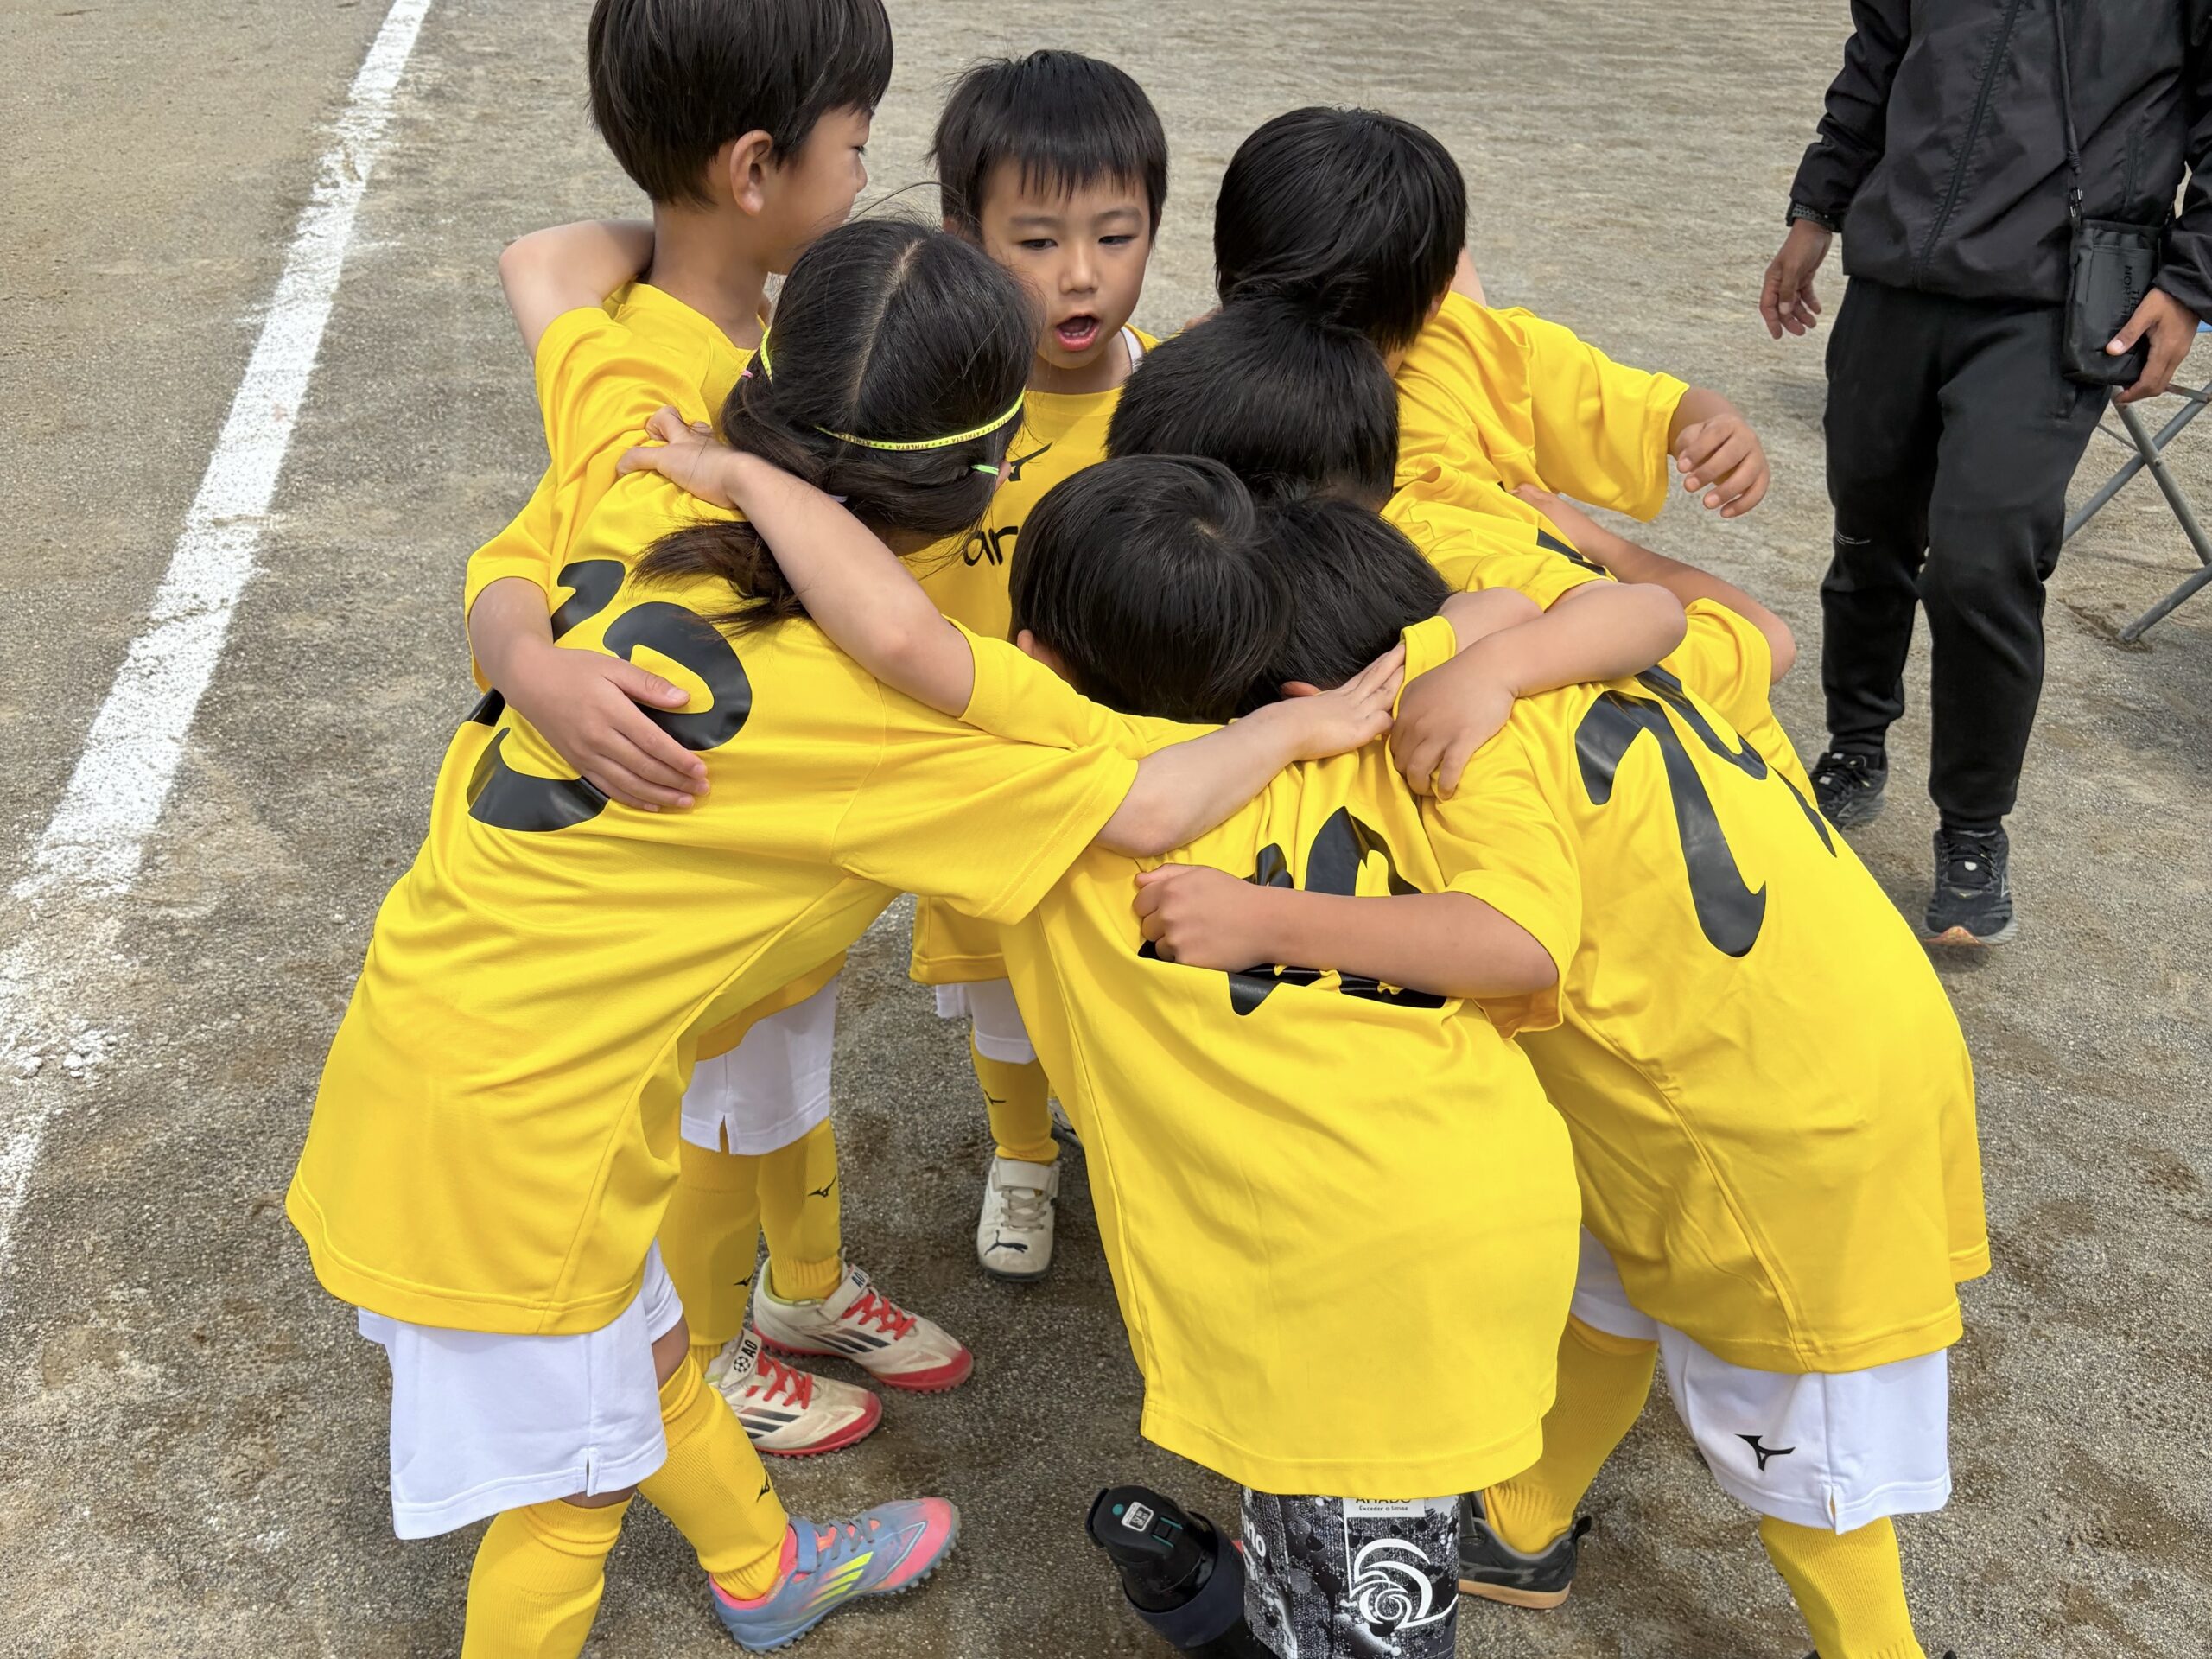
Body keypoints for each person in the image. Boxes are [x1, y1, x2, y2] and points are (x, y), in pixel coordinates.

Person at [290, 219, 1389, 1656]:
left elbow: (538, 333)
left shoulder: (646, 471)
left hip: (452, 1062)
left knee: (650, 1356)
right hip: (510, 1154)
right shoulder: (880, 719)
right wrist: (1304, 724)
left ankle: (761, 1571)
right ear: (982, 477)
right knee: (572, 1492)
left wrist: (523, 652)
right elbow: (1148, 800)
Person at [1137, 504, 1986, 1659]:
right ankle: (1522, 1527)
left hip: (1767, 1140)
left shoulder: (1445, 754)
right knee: (1604, 1292)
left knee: (1798, 1450)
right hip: (1821, 1043)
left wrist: (1263, 918)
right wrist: (1509, 641)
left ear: (1300, 703)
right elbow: (1739, 627)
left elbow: (1513, 943)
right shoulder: (1554, 663)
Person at [468, 0, 971, 1458]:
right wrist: (529, 664)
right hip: (694, 826)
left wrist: (701, 222)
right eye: (855, 150)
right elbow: (539, 279)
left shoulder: (793, 324)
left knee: (785, 1061)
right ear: (758, 168)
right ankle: (698, 1358)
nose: (865, 180)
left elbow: (555, 255)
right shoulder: (653, 382)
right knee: (711, 1092)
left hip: (786, 820)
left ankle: (803, 1287)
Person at [1763, 0, 2212, 944]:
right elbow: (1876, 62)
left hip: (2050, 299)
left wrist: (2187, 283)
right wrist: (1815, 209)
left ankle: (1972, 825)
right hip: (1894, 277)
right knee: (1867, 528)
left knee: (1981, 561)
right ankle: (1854, 745)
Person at [918, 49, 1171, 1282]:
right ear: (963, 241)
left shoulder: (1175, 401)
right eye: (1036, 241)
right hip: (988, 769)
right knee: (1000, 989)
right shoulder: (936, 415)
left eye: (1116, 236)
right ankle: (1023, 1154)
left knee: (1136, 976)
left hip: (1140, 776)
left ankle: (1132, 1149)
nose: (1082, 274)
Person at [1211, 105, 1773, 538]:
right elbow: (1666, 411)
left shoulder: (1187, 388)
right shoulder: (1481, 350)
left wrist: (1714, 424)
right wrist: (1713, 427)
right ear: (1433, 297)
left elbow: (1669, 411)